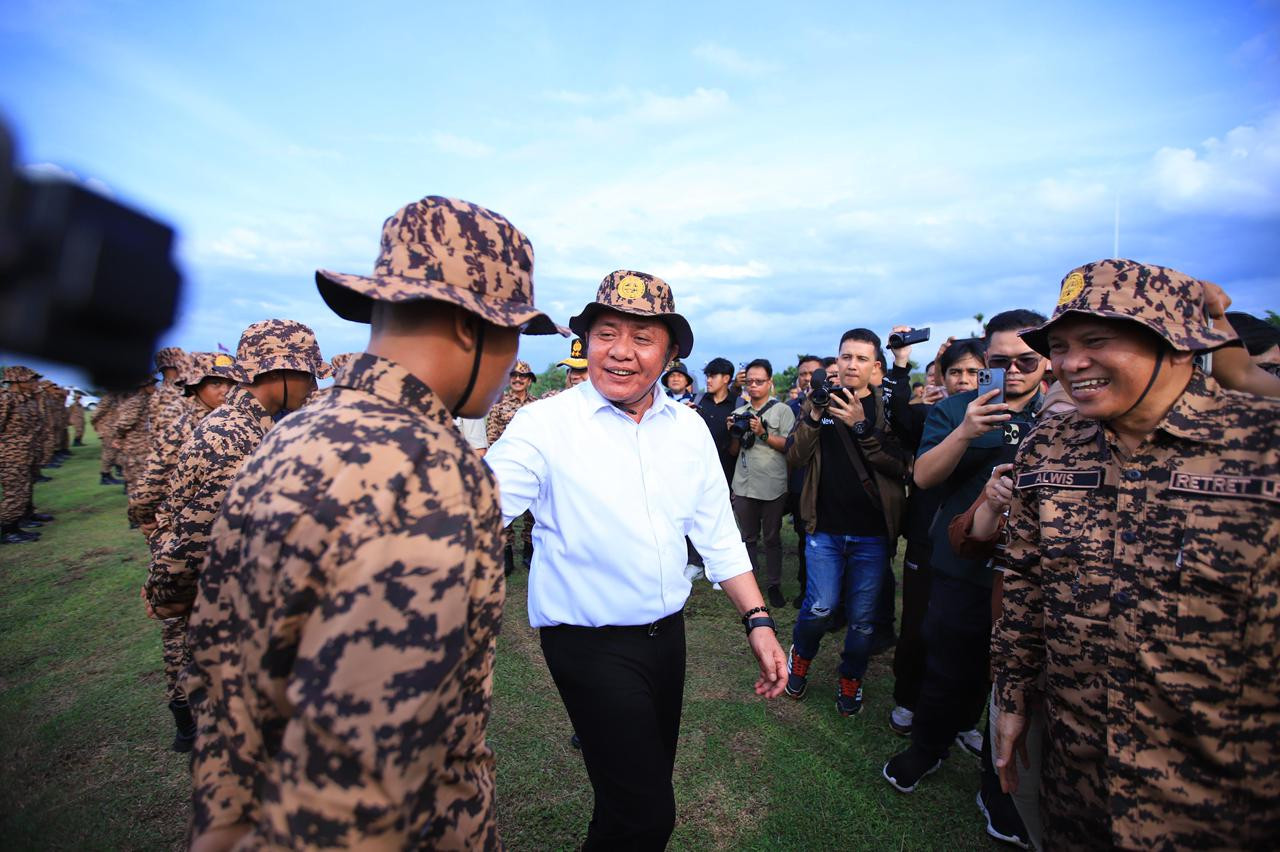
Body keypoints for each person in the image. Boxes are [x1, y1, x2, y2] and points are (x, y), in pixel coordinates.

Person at [183, 197, 560, 851]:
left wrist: (224, 823)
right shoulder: (431, 471)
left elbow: (220, 662)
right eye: (513, 335)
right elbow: (360, 774)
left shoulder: (289, 434)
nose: (511, 365)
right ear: (473, 329)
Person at [485, 269, 787, 851]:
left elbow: (719, 532)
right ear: (586, 342)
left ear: (671, 351)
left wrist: (758, 619)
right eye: (607, 333)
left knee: (633, 797)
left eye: (642, 338)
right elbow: (478, 507)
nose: (621, 352)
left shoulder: (689, 427)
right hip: (587, 641)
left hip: (665, 638)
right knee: (645, 816)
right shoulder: (544, 424)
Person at [992, 259, 1279, 848]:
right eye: (1063, 346)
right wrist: (1014, 698)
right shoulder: (1051, 445)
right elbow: (1024, 578)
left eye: (1098, 341)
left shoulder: (1261, 446)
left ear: (1177, 344)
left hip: (1224, 805)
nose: (1071, 363)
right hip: (1078, 777)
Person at [884, 309, 1047, 850]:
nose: (1013, 371)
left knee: (1012, 681)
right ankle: (927, 747)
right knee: (947, 662)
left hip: (1037, 578)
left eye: (1027, 360)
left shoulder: (1067, 414)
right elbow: (925, 475)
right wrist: (965, 430)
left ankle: (996, 788)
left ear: (1046, 360)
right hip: (960, 562)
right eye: (999, 362)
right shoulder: (958, 408)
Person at [145, 319, 329, 622]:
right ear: (281, 370)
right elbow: (192, 542)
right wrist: (167, 597)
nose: (313, 386)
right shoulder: (236, 440)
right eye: (308, 374)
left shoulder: (247, 424)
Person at [784, 328, 907, 717]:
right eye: (845, 357)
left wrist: (859, 426)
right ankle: (800, 657)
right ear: (836, 361)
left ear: (875, 367)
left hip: (872, 534)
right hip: (824, 529)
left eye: (860, 358)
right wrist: (816, 413)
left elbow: (899, 466)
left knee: (863, 622)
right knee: (819, 607)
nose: (851, 364)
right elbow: (796, 457)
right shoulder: (819, 402)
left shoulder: (886, 410)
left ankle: (850, 677)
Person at [136, 352, 238, 752]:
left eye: (230, 383)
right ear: (196, 387)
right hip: (184, 542)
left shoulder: (234, 423)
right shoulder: (183, 427)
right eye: (216, 384)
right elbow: (148, 485)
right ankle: (185, 722)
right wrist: (151, 523)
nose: (225, 391)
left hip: (217, 543)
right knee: (179, 631)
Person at [728, 358, 796, 607]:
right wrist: (733, 431)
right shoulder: (738, 413)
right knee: (747, 538)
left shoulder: (782, 411)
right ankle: (751, 584)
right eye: (750, 382)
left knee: (772, 537)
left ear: (770, 382)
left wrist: (763, 433)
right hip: (744, 484)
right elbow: (734, 451)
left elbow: (790, 447)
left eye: (759, 381)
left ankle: (774, 584)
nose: (753, 386)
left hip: (772, 484)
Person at [487, 359, 539, 572]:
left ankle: (529, 552)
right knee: (505, 510)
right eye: (514, 375)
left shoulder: (538, 406)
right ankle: (506, 555)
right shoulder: (498, 405)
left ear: (529, 380)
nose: (518, 379)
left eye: (523, 376)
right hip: (507, 464)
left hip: (532, 464)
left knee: (531, 515)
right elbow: (492, 437)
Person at [785, 355, 824, 606]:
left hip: (825, 485)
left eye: (812, 374)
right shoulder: (791, 406)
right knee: (804, 541)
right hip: (800, 484)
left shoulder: (834, 403)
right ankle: (805, 589)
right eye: (802, 374)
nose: (807, 378)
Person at [0, 366, 43, 545]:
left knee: (25, 488)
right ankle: (7, 530)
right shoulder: (5, 399)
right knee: (14, 492)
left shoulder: (26, 400)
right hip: (10, 456)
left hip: (26, 452)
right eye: (31, 380)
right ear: (18, 381)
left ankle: (24, 518)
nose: (35, 383)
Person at [696, 356, 740, 484]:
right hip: (699, 471)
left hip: (727, 474)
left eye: (713, 376)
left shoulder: (739, 405)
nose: (708, 380)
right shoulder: (698, 400)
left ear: (726, 378)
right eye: (707, 376)